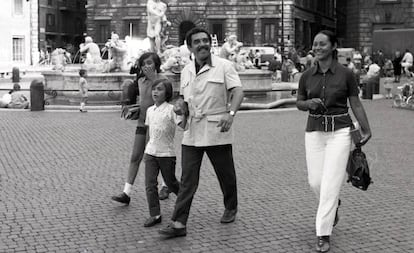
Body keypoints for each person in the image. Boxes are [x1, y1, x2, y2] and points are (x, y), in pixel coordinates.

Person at [158, 27, 244, 238]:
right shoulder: (186, 69)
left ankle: (231, 206)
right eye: (197, 42)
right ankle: (179, 223)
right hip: (193, 129)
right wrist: (180, 106)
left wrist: (231, 114)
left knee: (225, 174)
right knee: (188, 179)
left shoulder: (224, 66)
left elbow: (238, 91)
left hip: (217, 127)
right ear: (190, 47)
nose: (202, 44)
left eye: (205, 40)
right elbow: (182, 97)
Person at [296, 30, 372, 252]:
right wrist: (308, 103)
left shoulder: (346, 74)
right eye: (315, 44)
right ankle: (332, 206)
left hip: (340, 131)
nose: (317, 47)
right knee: (315, 182)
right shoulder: (307, 75)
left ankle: (323, 233)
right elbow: (299, 102)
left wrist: (366, 129)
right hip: (314, 131)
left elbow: (355, 103)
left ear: (333, 46)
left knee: (330, 184)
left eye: (322, 44)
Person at [112, 52, 170, 205]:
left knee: (158, 157)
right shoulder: (140, 81)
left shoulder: (163, 80)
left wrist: (153, 79)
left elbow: (167, 101)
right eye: (144, 64)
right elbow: (145, 101)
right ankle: (126, 192)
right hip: (142, 123)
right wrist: (134, 108)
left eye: (149, 63)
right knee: (135, 156)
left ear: (156, 64)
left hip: (157, 124)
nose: (146, 66)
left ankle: (166, 185)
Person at [143, 79, 183, 227]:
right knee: (150, 184)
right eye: (154, 89)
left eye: (159, 89)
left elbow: (183, 125)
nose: (155, 92)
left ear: (167, 92)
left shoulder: (171, 109)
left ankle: (184, 200)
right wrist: (145, 150)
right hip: (151, 153)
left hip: (166, 154)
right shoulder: (149, 110)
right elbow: (149, 131)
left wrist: (184, 111)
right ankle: (155, 214)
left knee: (171, 183)